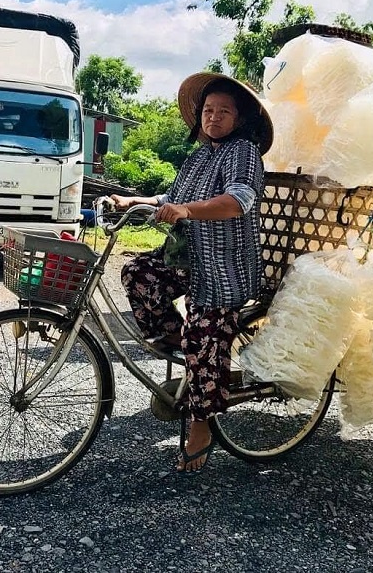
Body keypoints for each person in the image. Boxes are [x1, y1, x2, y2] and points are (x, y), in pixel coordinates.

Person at [110, 72, 273, 474]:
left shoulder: (244, 152)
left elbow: (239, 201)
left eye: (223, 111)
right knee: (137, 273)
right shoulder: (200, 155)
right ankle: (179, 343)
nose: (213, 118)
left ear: (240, 118)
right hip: (187, 257)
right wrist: (134, 199)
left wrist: (187, 211)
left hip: (223, 267)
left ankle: (201, 427)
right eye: (208, 110)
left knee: (203, 334)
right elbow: (172, 198)